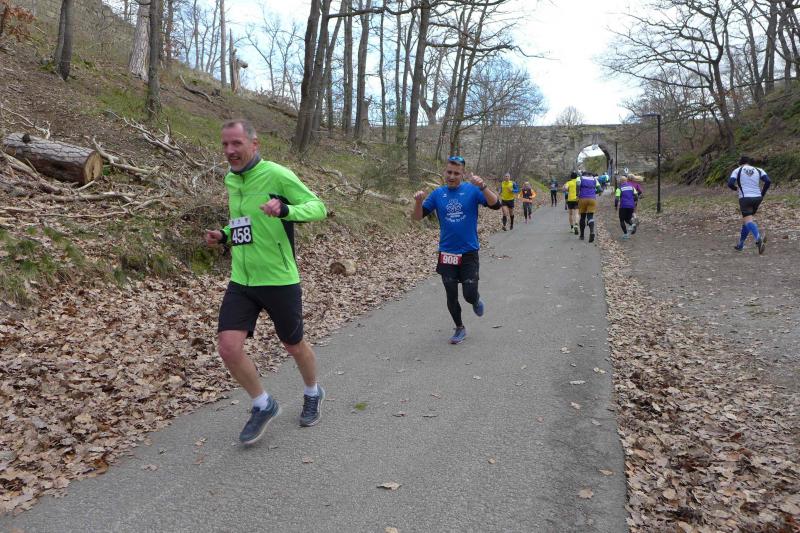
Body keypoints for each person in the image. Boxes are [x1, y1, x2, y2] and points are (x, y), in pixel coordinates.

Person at [204, 119, 328, 445]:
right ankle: (263, 404)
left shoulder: (277, 175)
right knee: (228, 348)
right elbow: (244, 222)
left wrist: (285, 210)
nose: (230, 150)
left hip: (279, 279)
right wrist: (225, 235)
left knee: (293, 344)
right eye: (225, 144)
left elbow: (318, 208)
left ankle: (312, 391)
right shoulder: (232, 179)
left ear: (254, 144)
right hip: (242, 279)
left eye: (236, 143)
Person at [413, 155, 500, 344]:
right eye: (449, 172)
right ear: (444, 172)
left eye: (456, 173)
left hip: (468, 252)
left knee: (469, 294)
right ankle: (459, 328)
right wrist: (418, 202)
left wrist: (483, 186)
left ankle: (475, 300)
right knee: (451, 294)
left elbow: (496, 205)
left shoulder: (472, 190)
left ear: (463, 174)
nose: (452, 176)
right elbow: (417, 217)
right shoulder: (438, 194)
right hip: (447, 253)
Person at [728, 155, 770, 254]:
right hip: (757, 198)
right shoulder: (759, 170)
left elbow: (730, 184)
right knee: (746, 221)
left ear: (740, 163)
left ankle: (758, 239)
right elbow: (768, 181)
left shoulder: (737, 170)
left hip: (745, 198)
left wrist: (736, 189)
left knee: (748, 221)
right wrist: (762, 193)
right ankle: (740, 244)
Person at [576, 171, 602, 242]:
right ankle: (592, 232)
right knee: (590, 217)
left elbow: (578, 185)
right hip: (592, 199)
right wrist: (594, 192)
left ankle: (582, 235)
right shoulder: (594, 179)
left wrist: (577, 194)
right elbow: (600, 189)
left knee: (582, 217)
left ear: (583, 174)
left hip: (582, 198)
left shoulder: (580, 178)